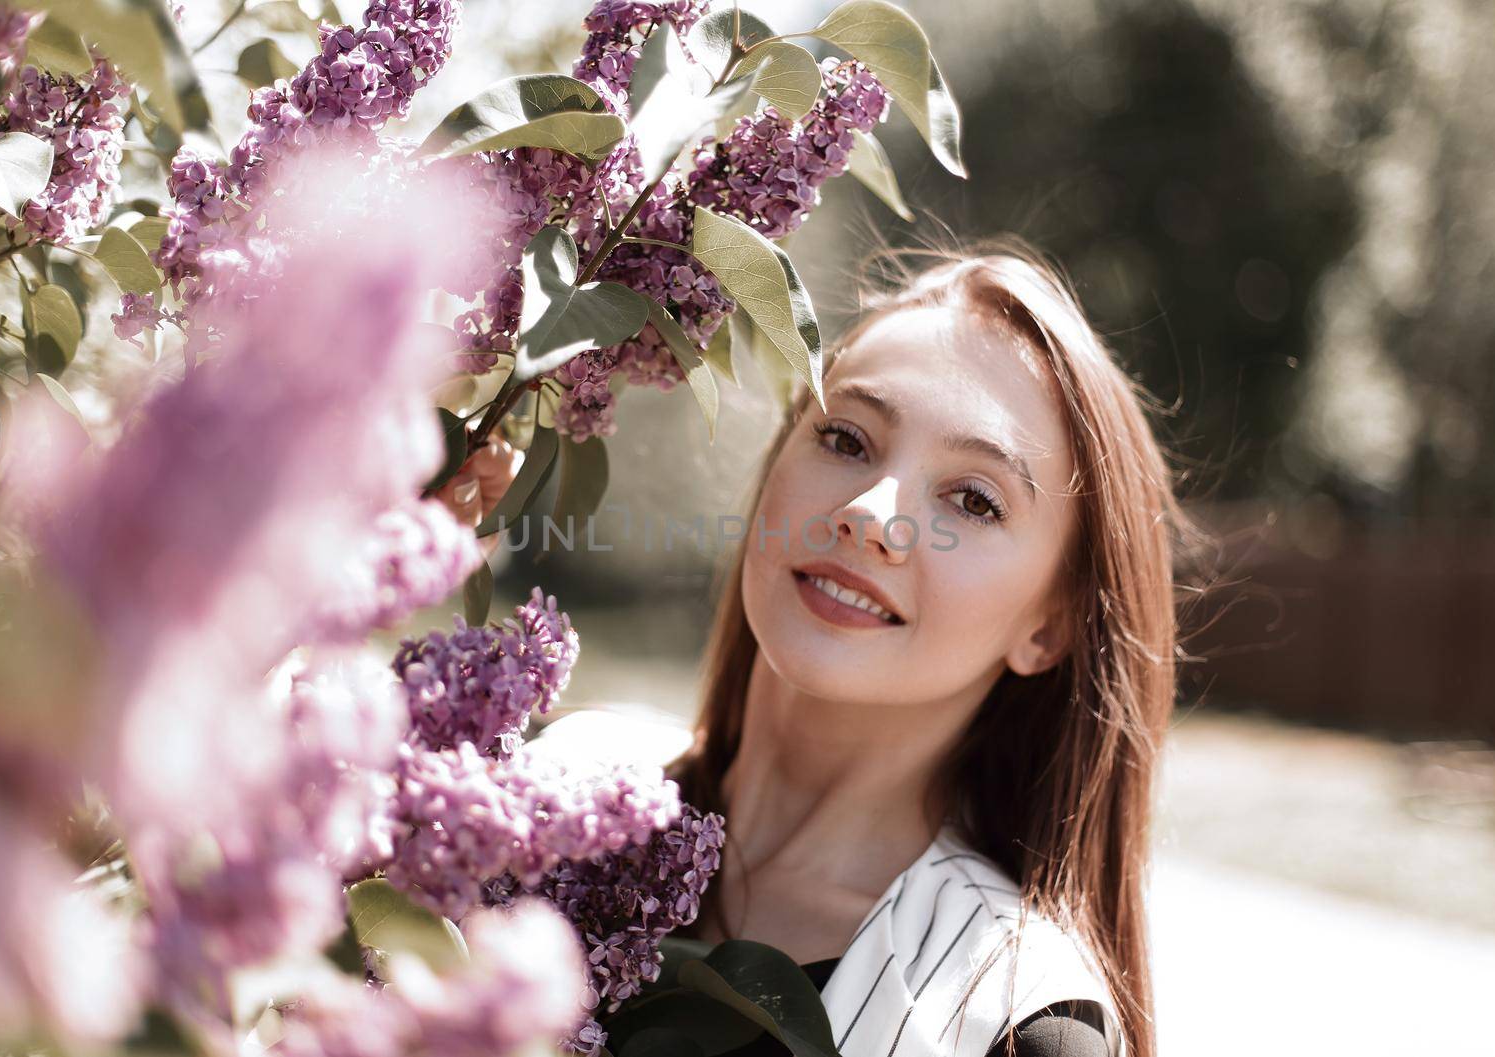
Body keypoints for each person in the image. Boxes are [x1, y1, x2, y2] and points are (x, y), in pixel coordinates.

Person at [447, 236, 1210, 1057]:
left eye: (973, 500)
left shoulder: (1014, 1017)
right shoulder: (550, 782)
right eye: (846, 439)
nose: (871, 513)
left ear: (1049, 626)